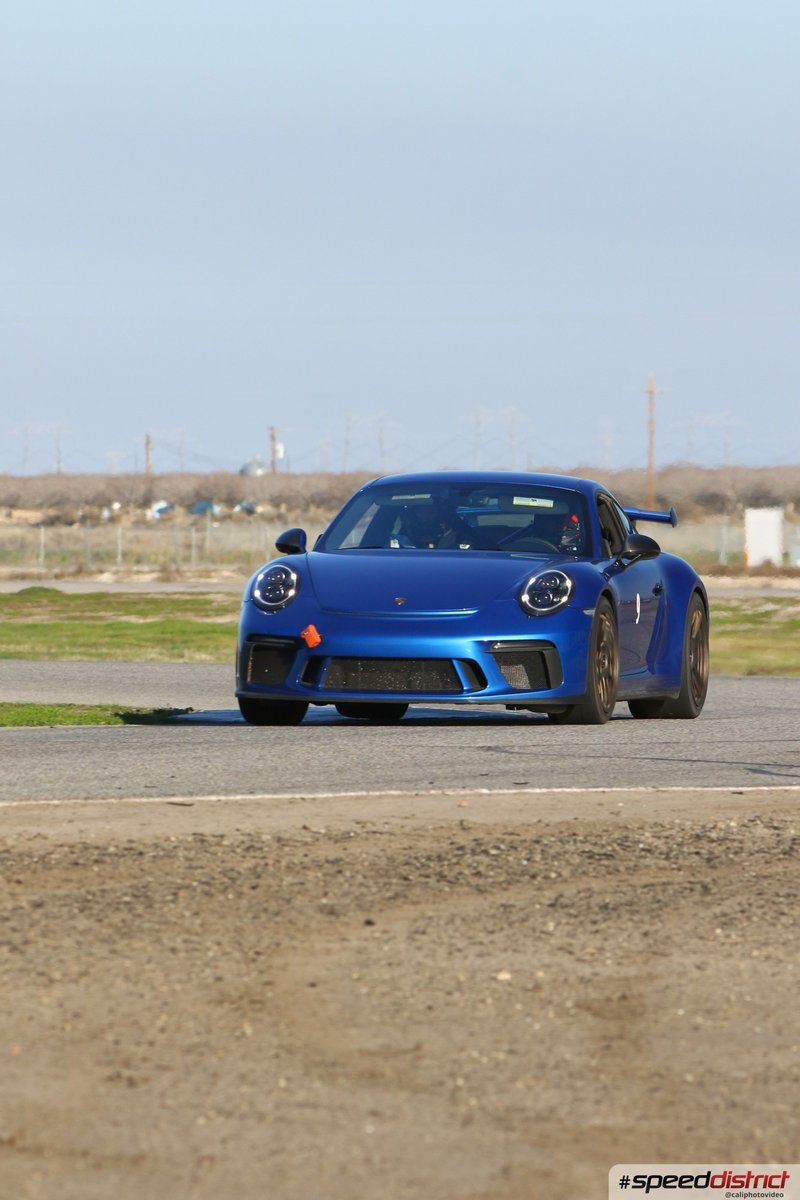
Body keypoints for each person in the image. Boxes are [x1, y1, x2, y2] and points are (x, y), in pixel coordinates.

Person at [392, 495, 473, 549]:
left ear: (438, 512)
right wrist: (441, 547)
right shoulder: (407, 528)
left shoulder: (453, 527)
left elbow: (476, 543)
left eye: (430, 512)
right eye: (421, 512)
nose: (426, 516)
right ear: (414, 513)